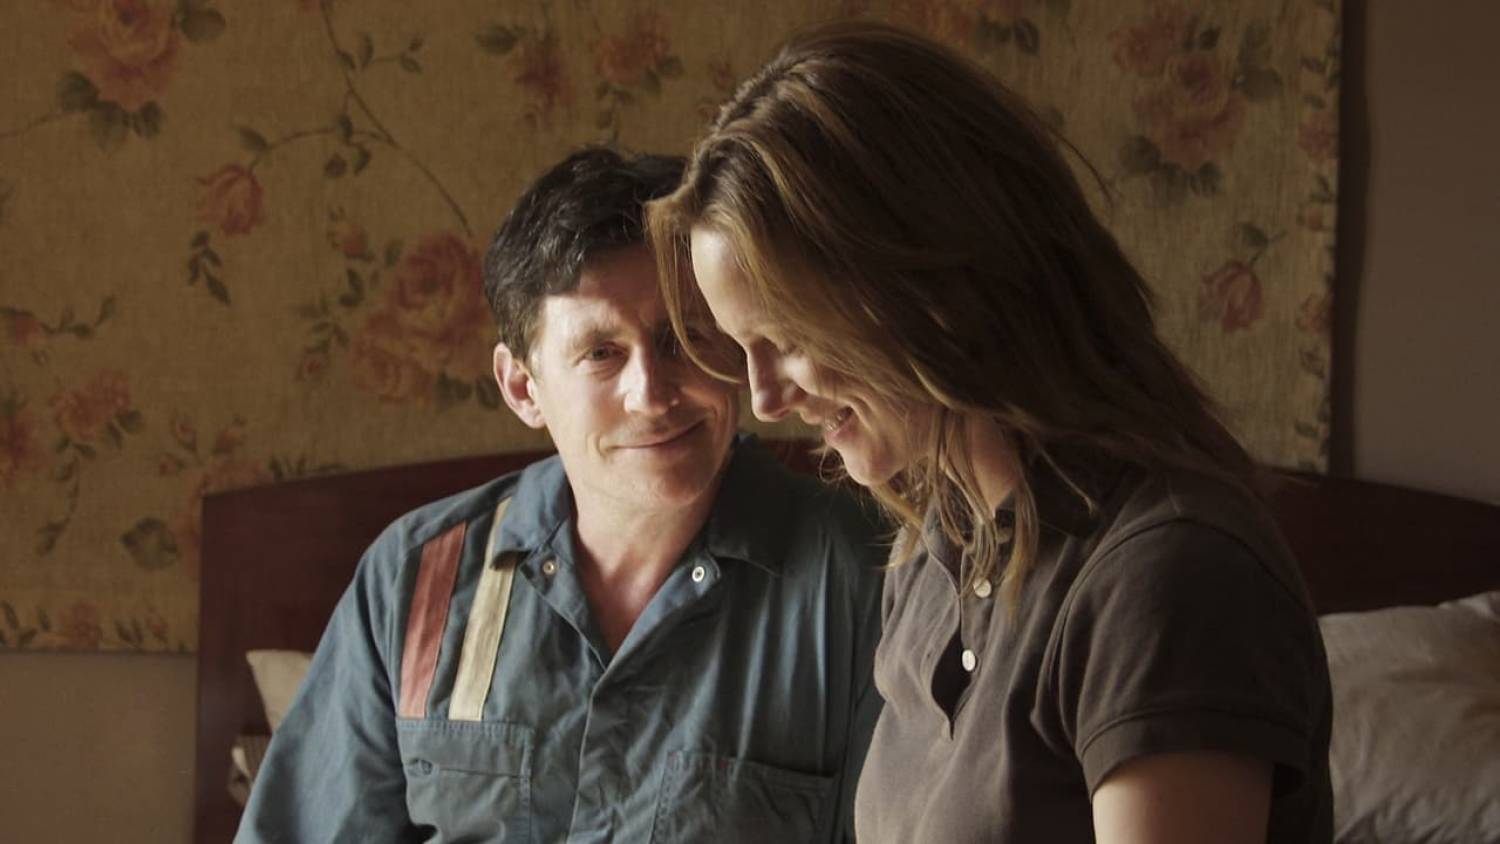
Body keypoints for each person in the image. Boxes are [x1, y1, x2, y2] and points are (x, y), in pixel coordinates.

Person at [648, 22, 1334, 844]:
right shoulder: (939, 549)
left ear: (924, 285)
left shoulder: (1167, 579)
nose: (765, 399)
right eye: (745, 349)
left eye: (787, 338)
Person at [237, 148, 886, 843]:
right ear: (523, 388)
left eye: (683, 337)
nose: (652, 394)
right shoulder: (415, 580)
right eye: (602, 353)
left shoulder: (863, 578)